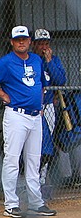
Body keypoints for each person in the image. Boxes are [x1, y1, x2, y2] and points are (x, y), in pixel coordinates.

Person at [0, 26, 57, 218]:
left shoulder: (37, 60)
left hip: (35, 116)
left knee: (34, 161)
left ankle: (36, 203)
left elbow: (41, 84)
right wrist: (3, 94)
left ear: (30, 41)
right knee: (12, 159)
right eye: (17, 39)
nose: (21, 42)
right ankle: (11, 204)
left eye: (24, 39)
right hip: (16, 115)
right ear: (12, 42)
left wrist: (38, 103)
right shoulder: (6, 62)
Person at [32, 28, 67, 199]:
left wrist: (49, 60)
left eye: (46, 43)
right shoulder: (30, 60)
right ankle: (30, 181)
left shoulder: (53, 60)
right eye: (40, 43)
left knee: (47, 143)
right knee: (33, 144)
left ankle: (41, 180)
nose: (43, 46)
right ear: (34, 44)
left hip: (48, 107)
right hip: (32, 108)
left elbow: (60, 81)